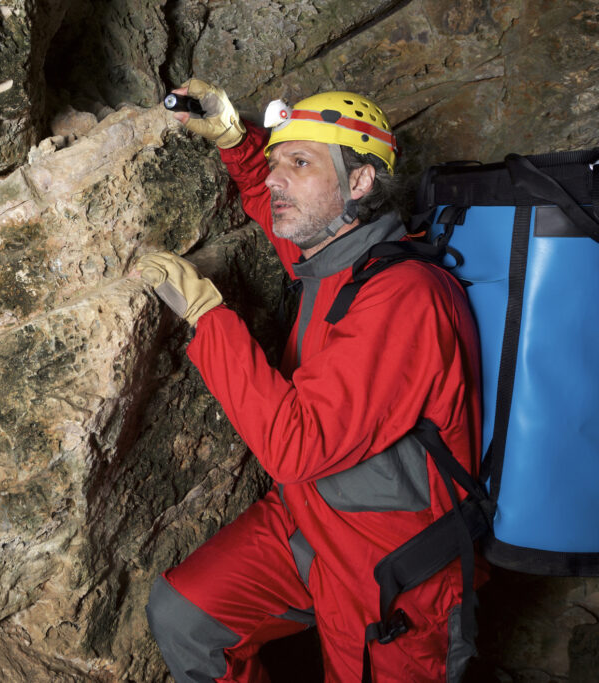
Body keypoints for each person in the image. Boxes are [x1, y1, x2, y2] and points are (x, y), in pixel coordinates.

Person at [138, 79, 484, 682]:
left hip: (389, 566)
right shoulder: (338, 257)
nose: (276, 179)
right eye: (278, 163)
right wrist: (234, 141)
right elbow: (273, 204)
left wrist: (208, 319)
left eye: (299, 163)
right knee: (185, 617)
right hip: (313, 521)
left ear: (359, 183)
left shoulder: (406, 298)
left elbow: (298, 444)